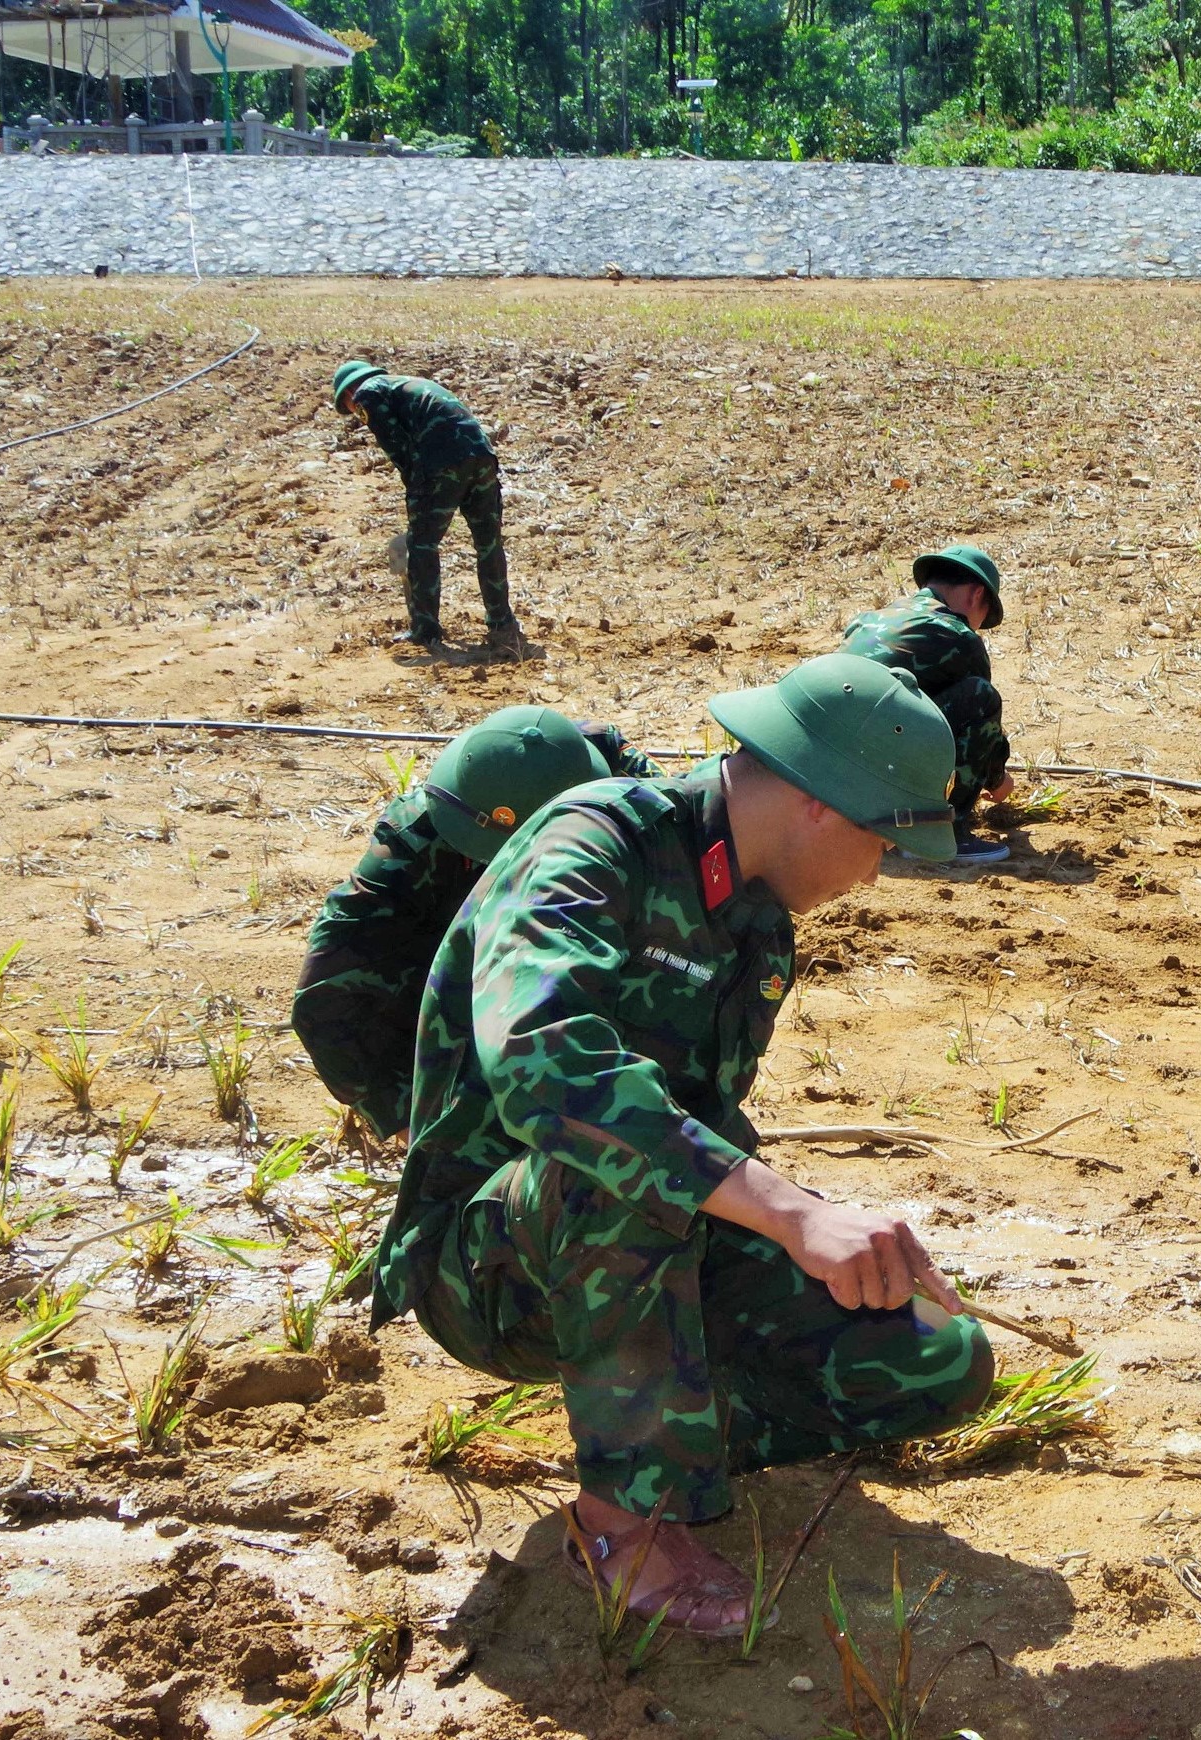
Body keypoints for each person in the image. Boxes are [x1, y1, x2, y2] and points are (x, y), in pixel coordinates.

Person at [370, 654, 991, 1638]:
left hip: (644, 1254)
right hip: (491, 1260)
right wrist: (794, 1214)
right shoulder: (594, 839)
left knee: (937, 1361)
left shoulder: (756, 928)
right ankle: (627, 1521)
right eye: (882, 841)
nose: (876, 871)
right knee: (615, 1166)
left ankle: (655, 1430)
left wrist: (824, 1235)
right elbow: (550, 1071)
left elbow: (706, 1123)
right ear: (823, 806)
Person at [291, 706, 661, 1142]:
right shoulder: (414, 842)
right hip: (463, 972)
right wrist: (408, 1119)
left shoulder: (605, 766)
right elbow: (325, 999)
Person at [331, 360, 522, 657]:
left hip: (441, 461)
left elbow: (397, 448)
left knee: (421, 545)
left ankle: (425, 629)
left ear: (349, 393)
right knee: (488, 543)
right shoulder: (406, 384)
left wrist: (416, 494)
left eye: (349, 406)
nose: (355, 412)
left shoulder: (367, 392)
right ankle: (502, 623)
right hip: (482, 456)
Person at [840, 545, 1015, 864]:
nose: (978, 625)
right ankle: (944, 836)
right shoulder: (959, 635)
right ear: (977, 595)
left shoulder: (867, 620)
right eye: (983, 616)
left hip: (834, 770)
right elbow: (982, 719)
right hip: (878, 754)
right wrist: (998, 780)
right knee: (980, 696)